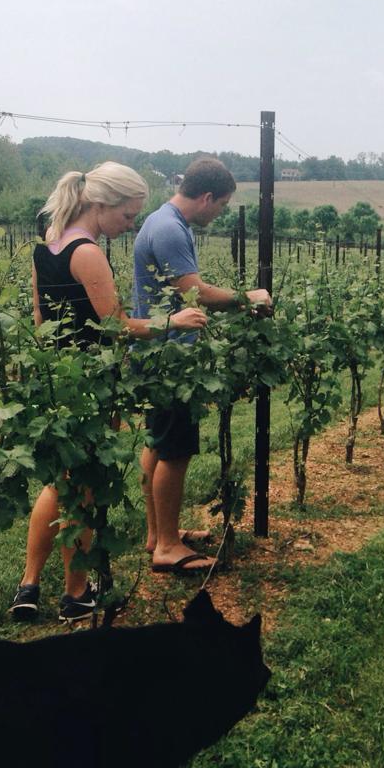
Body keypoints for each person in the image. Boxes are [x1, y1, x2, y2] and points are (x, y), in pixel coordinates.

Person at [10, 163, 207, 621]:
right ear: (101, 204)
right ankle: (77, 595)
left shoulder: (47, 248)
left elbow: (43, 324)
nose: (131, 225)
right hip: (92, 383)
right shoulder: (88, 253)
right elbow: (116, 325)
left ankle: (29, 584)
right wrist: (170, 322)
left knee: (57, 484)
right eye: (128, 215)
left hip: (59, 379)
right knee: (84, 489)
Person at [132, 157, 271, 575]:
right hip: (171, 356)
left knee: (158, 444)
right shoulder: (172, 229)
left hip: (158, 352)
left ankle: (159, 535)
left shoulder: (162, 220)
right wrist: (249, 299)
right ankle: (169, 547)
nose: (221, 213)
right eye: (222, 205)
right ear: (207, 197)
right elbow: (197, 293)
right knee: (175, 451)